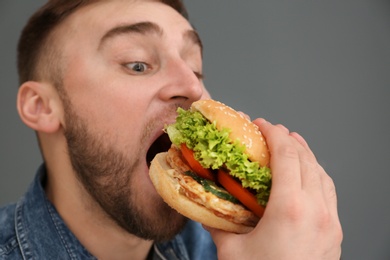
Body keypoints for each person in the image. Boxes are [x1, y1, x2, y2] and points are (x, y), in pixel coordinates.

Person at [0, 0, 343, 259]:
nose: (193, 89)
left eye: (196, 69)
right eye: (137, 64)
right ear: (41, 106)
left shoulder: (249, 247)